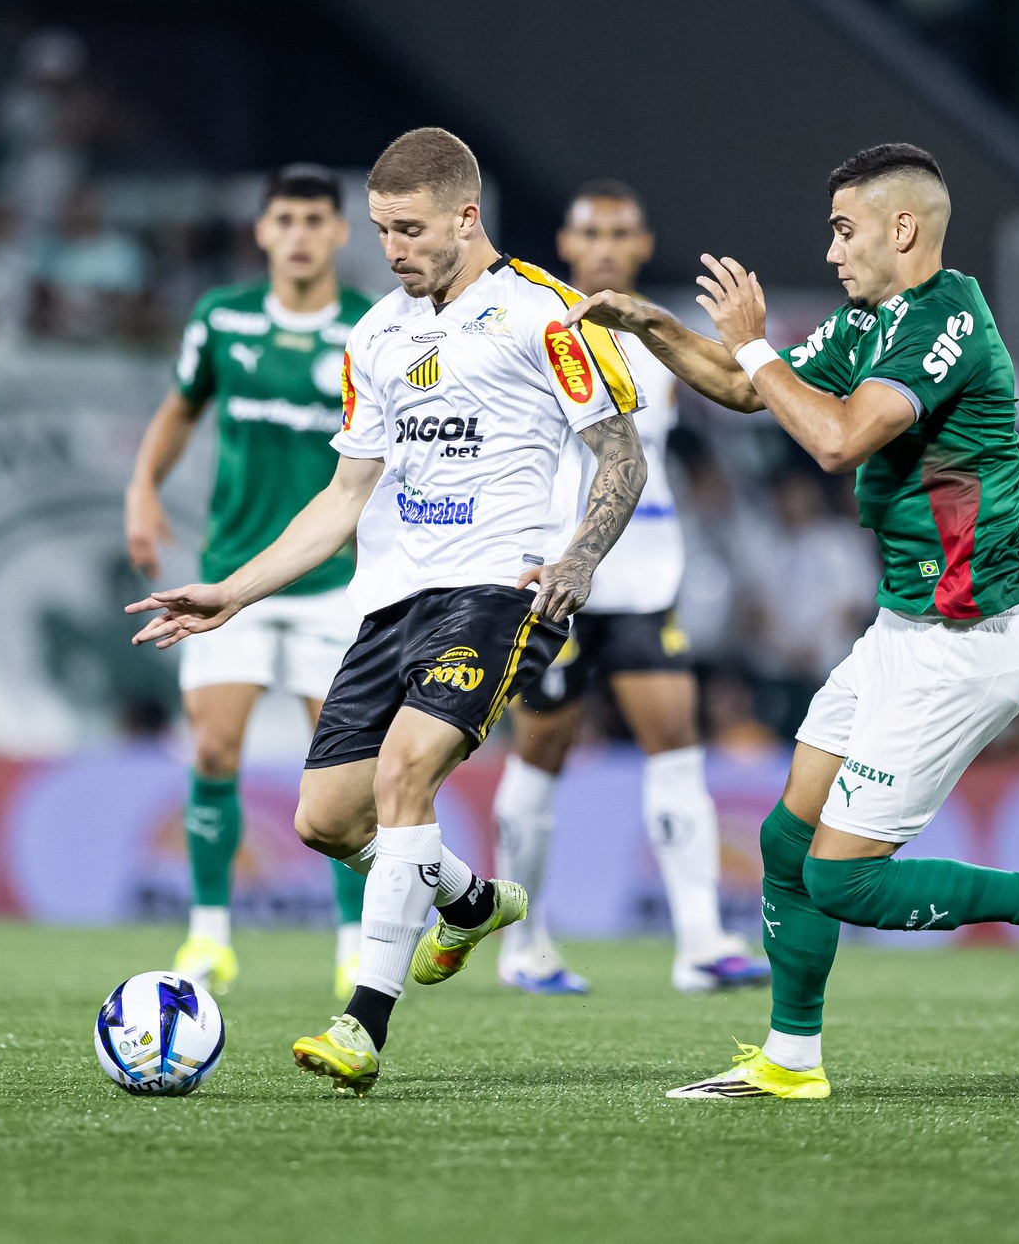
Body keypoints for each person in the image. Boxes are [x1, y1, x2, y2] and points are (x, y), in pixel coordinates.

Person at [569, 143, 1019, 1100]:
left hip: (966, 645)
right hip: (901, 630)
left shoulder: (945, 322)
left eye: (843, 231)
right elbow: (749, 388)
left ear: (901, 228)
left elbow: (835, 440)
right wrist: (653, 324)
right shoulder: (872, 322)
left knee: (842, 880)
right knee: (786, 846)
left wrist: (754, 342)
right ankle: (790, 1059)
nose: (831, 251)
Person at [128, 127, 647, 1095]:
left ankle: (361, 1024)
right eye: (381, 230)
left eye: (409, 230)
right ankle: (470, 900)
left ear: (466, 216)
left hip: (502, 593)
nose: (392, 249)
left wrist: (580, 555)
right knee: (326, 820)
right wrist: (231, 593)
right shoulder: (374, 335)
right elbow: (342, 498)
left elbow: (620, 452)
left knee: (407, 774)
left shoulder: (547, 313)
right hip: (390, 603)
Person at [492, 180, 769, 996]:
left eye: (621, 233)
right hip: (558, 574)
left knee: (676, 745)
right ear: (567, 244)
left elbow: (737, 391)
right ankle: (524, 943)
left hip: (646, 576)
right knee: (540, 752)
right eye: (592, 233)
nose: (606, 247)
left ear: (642, 245)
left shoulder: (661, 336)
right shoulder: (537, 327)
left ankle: (700, 942)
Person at [124, 163, 374, 1000]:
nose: (299, 235)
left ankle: (353, 944)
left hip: (330, 584)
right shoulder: (221, 319)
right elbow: (180, 407)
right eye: (285, 220)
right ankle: (208, 935)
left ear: (338, 232)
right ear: (263, 231)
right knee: (211, 747)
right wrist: (142, 487)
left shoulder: (370, 328)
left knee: (340, 770)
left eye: (314, 220)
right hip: (229, 578)